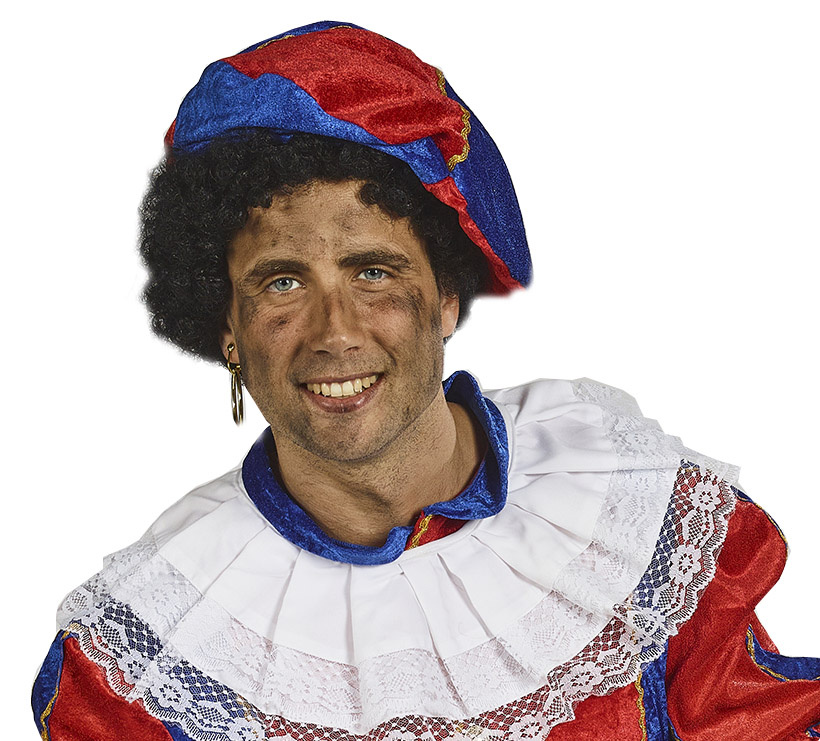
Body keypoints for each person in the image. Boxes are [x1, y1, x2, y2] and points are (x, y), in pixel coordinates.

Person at [31, 21, 820, 741]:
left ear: (445, 297)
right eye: (282, 282)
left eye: (373, 272)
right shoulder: (148, 656)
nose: (335, 331)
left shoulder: (624, 520)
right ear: (226, 328)